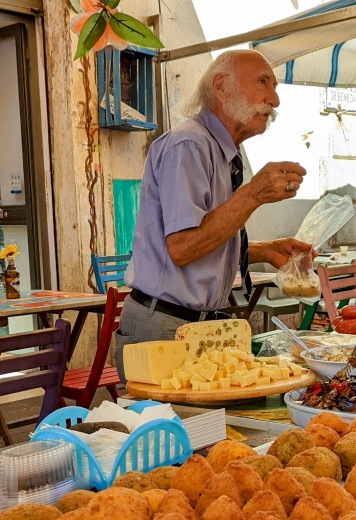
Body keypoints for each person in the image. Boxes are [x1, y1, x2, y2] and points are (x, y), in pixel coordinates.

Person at [116, 49, 313, 381]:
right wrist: (252, 193)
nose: (274, 100)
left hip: (193, 325)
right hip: (164, 326)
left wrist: (263, 252)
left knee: (206, 431)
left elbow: (203, 240)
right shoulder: (189, 145)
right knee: (171, 432)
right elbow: (182, 248)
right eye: (263, 82)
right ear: (221, 86)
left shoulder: (221, 151)